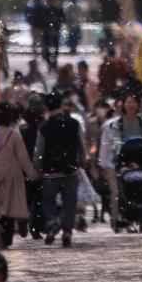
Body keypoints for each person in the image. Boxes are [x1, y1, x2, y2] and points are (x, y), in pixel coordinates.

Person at [0, 103, 38, 249]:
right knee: (8, 206)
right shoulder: (14, 135)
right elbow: (23, 158)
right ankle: (4, 233)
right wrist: (32, 174)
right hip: (10, 173)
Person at [34, 91, 86, 247]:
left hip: (51, 172)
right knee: (70, 203)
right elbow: (82, 145)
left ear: (46, 107)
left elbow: (39, 150)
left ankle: (52, 222)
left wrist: (38, 167)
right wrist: (81, 160)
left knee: (48, 200)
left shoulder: (44, 127)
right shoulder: (74, 123)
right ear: (61, 105)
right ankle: (67, 232)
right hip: (71, 171)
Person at [98, 91, 142, 230]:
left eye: (133, 102)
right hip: (120, 160)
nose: (131, 105)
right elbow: (114, 142)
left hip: (140, 159)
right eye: (128, 102)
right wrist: (121, 154)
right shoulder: (116, 124)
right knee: (117, 191)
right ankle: (117, 217)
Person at [19, 97, 46, 239]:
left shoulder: (22, 132)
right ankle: (36, 228)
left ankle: (23, 219)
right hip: (41, 169)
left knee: (26, 199)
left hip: (25, 170)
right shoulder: (43, 131)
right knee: (39, 200)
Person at [42, 0, 65, 70]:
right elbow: (41, 20)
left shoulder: (57, 10)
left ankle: (54, 63)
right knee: (46, 51)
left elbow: (62, 18)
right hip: (47, 32)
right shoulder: (45, 10)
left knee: (55, 49)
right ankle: (50, 63)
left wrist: (56, 23)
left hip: (55, 31)